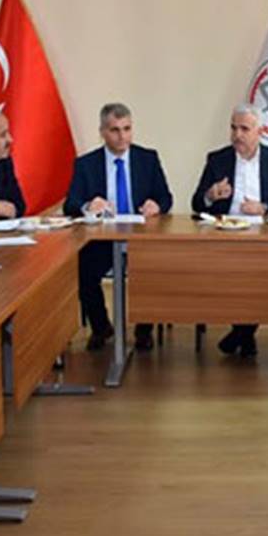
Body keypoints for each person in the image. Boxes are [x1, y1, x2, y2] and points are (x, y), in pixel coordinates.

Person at [191, 104, 268, 357]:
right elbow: (197, 203)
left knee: (261, 275)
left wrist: (264, 207)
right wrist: (210, 195)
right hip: (225, 235)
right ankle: (245, 334)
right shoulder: (217, 160)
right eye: (233, 128)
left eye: (244, 129)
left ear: (259, 132)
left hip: (266, 236)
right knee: (237, 274)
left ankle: (242, 333)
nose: (237, 135)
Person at [64, 103, 174, 351]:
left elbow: (166, 197)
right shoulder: (86, 164)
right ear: (102, 132)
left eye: (127, 129)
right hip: (103, 240)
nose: (122, 136)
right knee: (83, 271)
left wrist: (156, 205)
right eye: (115, 130)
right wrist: (88, 206)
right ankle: (101, 327)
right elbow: (70, 204)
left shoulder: (147, 159)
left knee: (152, 270)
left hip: (140, 238)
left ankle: (144, 329)